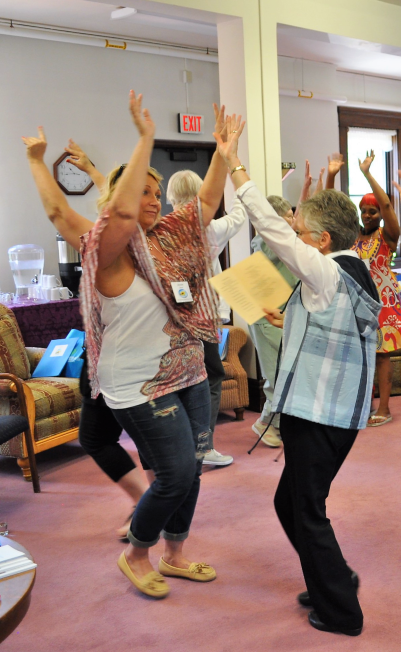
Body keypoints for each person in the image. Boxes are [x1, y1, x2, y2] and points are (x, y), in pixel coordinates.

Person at [25, 92, 232, 598]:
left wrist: (223, 157)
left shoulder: (170, 236)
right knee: (176, 471)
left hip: (188, 373)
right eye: (145, 191)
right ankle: (137, 552)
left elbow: (203, 204)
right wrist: (38, 161)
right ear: (122, 198)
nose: (154, 199)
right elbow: (68, 211)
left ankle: (175, 553)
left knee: (194, 469)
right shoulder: (106, 249)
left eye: (157, 192)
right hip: (137, 384)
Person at [218, 120, 380, 636]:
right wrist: (288, 320)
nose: (298, 239)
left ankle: (340, 611)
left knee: (305, 507)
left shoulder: (329, 270)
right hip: (333, 412)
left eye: (305, 233)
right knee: (289, 501)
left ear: (323, 239)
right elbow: (341, 328)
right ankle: (331, 574)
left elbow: (272, 228)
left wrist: (234, 163)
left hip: (320, 411)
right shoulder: (354, 270)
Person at [23, 135, 150, 541]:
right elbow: (117, 202)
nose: (150, 199)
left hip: (115, 365)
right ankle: (151, 503)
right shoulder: (152, 238)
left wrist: (36, 160)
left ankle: (150, 506)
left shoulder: (108, 241)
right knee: (140, 436)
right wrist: (96, 171)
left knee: (97, 438)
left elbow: (60, 209)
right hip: (143, 361)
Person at [165, 169, 244, 468]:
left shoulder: (164, 229)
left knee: (181, 380)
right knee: (210, 377)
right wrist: (238, 180)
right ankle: (204, 445)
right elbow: (239, 216)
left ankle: (181, 444)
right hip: (205, 318)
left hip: (173, 320)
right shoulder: (208, 228)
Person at [351, 150, 401, 427]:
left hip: (384, 302)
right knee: (360, 356)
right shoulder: (355, 237)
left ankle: (384, 407)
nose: (367, 215)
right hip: (358, 302)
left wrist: (367, 174)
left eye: (371, 211)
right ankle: (365, 404)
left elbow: (386, 204)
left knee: (382, 356)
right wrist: (332, 176)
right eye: (363, 211)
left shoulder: (388, 235)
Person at [248, 195, 298, 448]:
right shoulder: (264, 241)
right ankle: (265, 422)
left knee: (285, 372)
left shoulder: (290, 242)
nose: (293, 219)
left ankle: (275, 423)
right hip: (265, 317)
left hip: (282, 317)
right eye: (289, 215)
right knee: (276, 374)